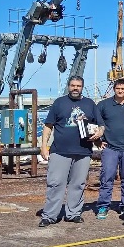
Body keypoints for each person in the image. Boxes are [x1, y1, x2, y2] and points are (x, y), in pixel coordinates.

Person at [39, 76, 105, 227]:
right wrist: (44, 146)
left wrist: (99, 133)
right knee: (55, 183)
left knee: (78, 184)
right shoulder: (59, 103)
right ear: (68, 86)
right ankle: (50, 215)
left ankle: (73, 213)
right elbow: (48, 126)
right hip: (60, 151)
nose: (76, 88)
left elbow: (100, 125)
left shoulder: (89, 104)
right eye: (73, 85)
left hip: (83, 151)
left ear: (82, 87)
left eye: (78, 86)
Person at [95, 78, 124, 219]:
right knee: (107, 177)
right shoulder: (103, 105)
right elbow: (95, 123)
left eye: (123, 89)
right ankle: (103, 206)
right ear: (114, 89)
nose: (120, 91)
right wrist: (98, 141)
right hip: (110, 148)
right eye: (118, 88)